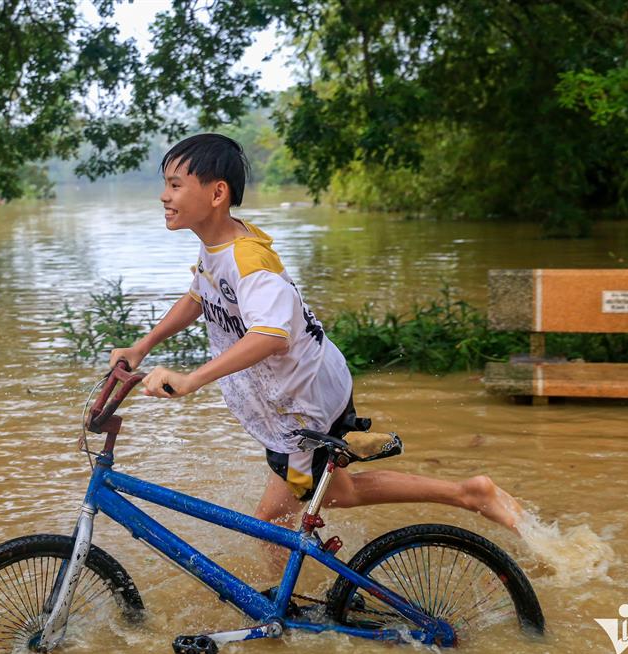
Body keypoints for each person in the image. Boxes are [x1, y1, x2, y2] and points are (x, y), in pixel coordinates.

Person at [110, 134, 522, 567]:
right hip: (298, 393)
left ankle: (465, 497)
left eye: (176, 185)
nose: (164, 195)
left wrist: (192, 378)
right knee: (326, 498)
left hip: (304, 404)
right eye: (166, 184)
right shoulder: (217, 245)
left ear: (217, 194)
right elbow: (199, 296)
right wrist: (142, 346)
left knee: (276, 520)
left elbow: (271, 335)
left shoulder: (247, 260)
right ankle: (467, 494)